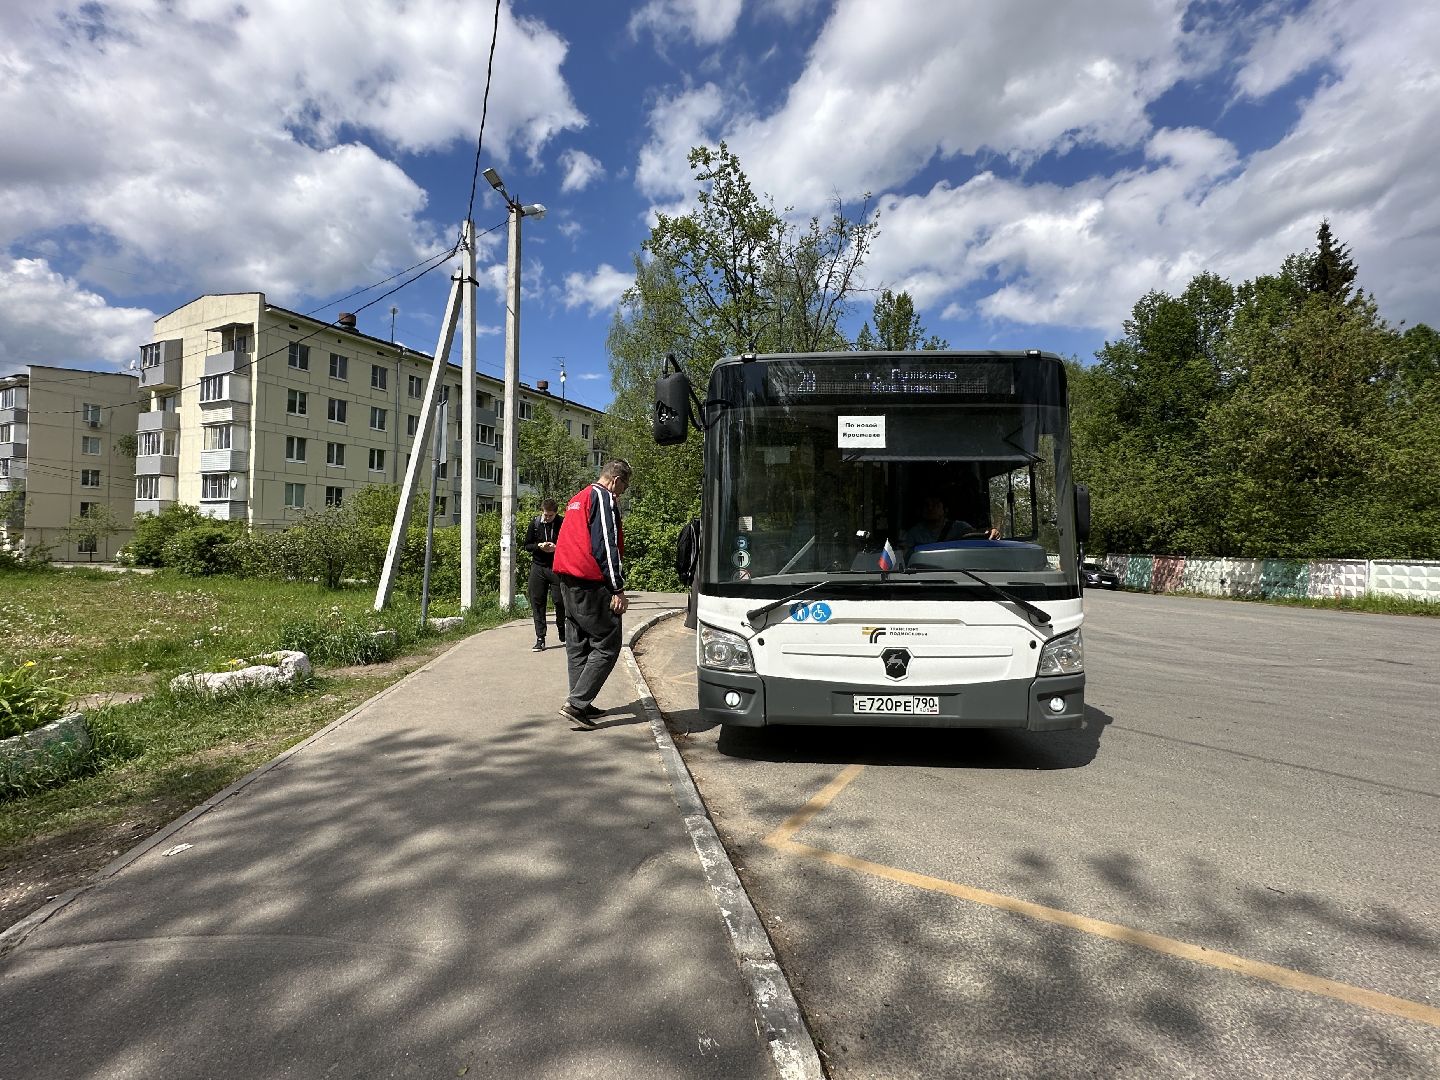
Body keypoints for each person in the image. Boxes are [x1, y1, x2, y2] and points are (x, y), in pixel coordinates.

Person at [553, 459, 632, 730]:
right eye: (623, 487)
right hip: (589, 581)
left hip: (566, 580)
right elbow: (605, 546)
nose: (621, 493)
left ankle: (581, 703)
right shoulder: (604, 497)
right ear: (616, 480)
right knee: (608, 642)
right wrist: (617, 588)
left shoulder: (579, 497)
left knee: (578, 644)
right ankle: (576, 704)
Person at [523, 497, 565, 651]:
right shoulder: (535, 524)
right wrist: (539, 546)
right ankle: (540, 638)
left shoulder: (563, 523)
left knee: (560, 601)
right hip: (538, 567)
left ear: (556, 513)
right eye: (545, 515)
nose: (547, 518)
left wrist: (556, 547)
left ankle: (562, 627)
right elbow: (526, 545)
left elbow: (570, 544)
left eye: (550, 516)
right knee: (537, 602)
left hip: (556, 567)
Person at [901, 496, 998, 550]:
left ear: (945, 509)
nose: (930, 508)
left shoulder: (959, 527)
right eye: (927, 505)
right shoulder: (914, 533)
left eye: (935, 504)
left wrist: (991, 531)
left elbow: (977, 534)